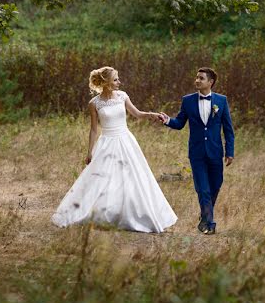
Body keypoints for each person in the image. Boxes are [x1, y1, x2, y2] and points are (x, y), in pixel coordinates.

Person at [51, 67, 177, 233]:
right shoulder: (94, 103)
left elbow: (137, 114)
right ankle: (105, 214)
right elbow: (94, 129)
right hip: (106, 143)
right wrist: (89, 152)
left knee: (133, 178)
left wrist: (152, 114)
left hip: (125, 140)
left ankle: (136, 214)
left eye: (118, 79)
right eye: (116, 79)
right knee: (103, 179)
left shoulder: (122, 96)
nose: (119, 82)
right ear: (106, 82)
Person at [159, 67, 234, 235]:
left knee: (216, 186)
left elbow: (228, 129)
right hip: (197, 153)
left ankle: (204, 217)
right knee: (203, 189)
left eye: (201, 78)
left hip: (216, 152)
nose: (197, 80)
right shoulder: (188, 101)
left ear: (210, 82)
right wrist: (167, 120)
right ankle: (210, 223)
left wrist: (230, 151)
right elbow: (179, 123)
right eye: (196, 77)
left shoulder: (221, 101)